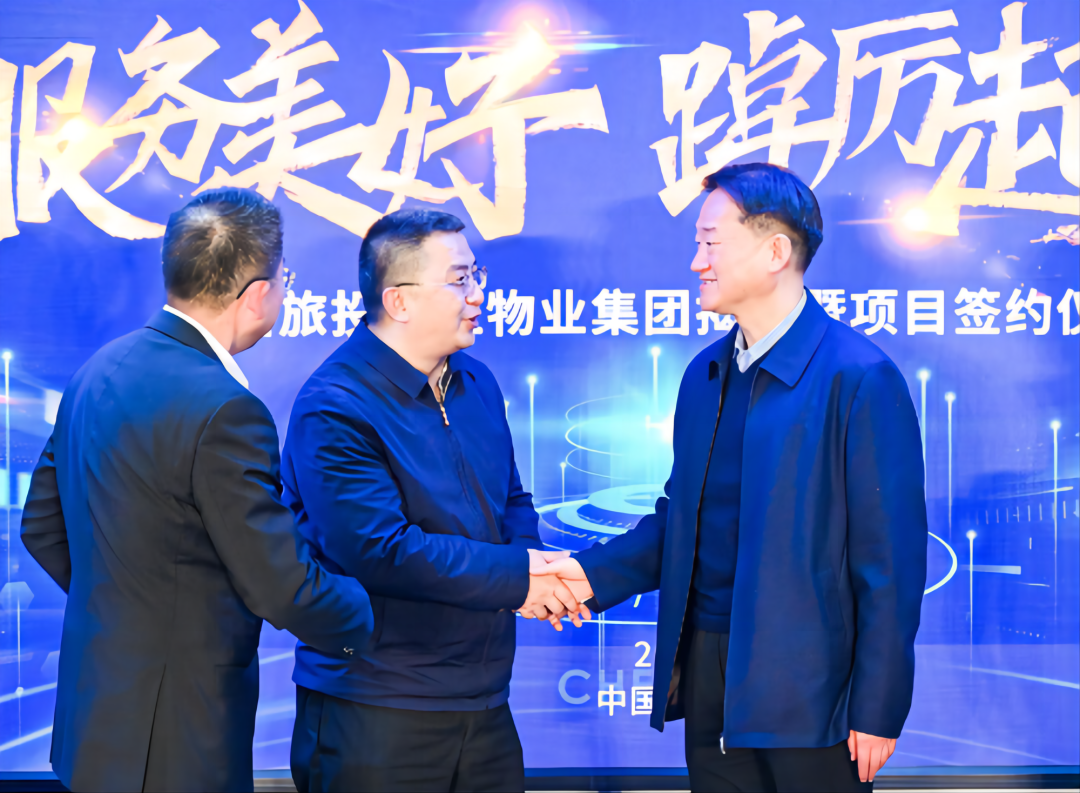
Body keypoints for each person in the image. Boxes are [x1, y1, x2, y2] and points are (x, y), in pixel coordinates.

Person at [547, 163, 928, 792]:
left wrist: (878, 706)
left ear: (776, 252)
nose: (697, 261)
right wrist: (583, 576)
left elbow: (889, 563)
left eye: (711, 242)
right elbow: (682, 521)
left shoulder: (857, 377)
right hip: (709, 673)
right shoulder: (706, 375)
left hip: (813, 692)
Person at [20, 189, 375, 793]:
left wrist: (126, 613)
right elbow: (281, 584)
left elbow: (41, 526)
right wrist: (371, 616)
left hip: (94, 721)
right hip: (178, 732)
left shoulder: (97, 369)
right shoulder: (228, 409)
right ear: (258, 293)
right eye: (285, 279)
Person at [282, 208, 582, 793]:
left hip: (484, 700)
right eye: (459, 279)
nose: (478, 295)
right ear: (399, 301)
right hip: (377, 704)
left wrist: (534, 567)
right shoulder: (335, 405)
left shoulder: (476, 382)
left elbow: (511, 500)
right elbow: (382, 551)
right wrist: (520, 578)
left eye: (476, 275)